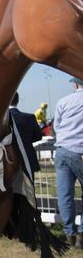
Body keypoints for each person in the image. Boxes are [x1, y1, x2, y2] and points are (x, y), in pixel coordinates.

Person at [54, 77, 83, 249]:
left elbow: (57, 127)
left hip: (63, 150)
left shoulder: (63, 101)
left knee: (65, 195)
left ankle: (69, 232)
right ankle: (81, 234)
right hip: (80, 151)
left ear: (75, 84)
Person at [9, 92, 43, 176]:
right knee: (28, 188)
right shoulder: (30, 118)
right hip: (27, 158)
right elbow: (38, 136)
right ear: (17, 101)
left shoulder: (1, 120)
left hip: (7, 159)